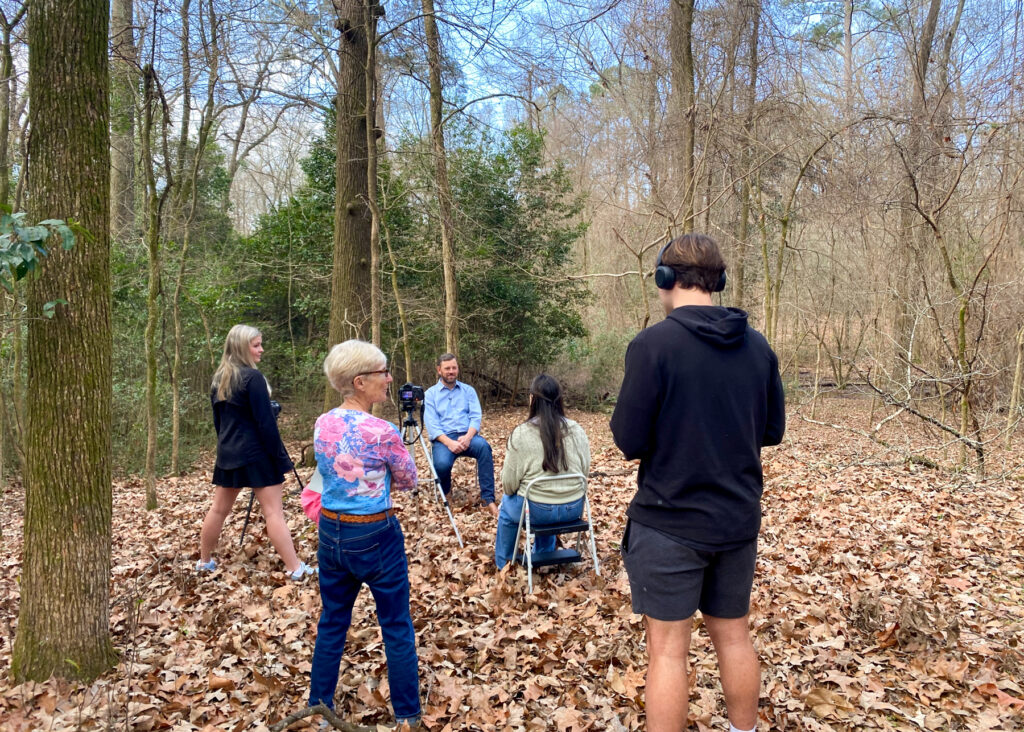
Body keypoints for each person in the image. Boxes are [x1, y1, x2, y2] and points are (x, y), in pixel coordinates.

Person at [610, 233, 785, 732]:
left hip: (669, 522)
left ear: (666, 279)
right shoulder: (757, 346)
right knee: (734, 637)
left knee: (667, 651)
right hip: (736, 520)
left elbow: (628, 438)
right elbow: (771, 430)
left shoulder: (652, 345)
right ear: (718, 281)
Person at [308, 339, 421, 727]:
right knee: (395, 624)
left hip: (330, 533)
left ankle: (318, 707)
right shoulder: (382, 431)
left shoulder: (323, 423)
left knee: (332, 621)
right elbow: (408, 479)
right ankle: (408, 715)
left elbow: (328, 473)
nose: (390, 380)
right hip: (376, 534)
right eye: (382, 373)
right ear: (359, 382)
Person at [198, 324, 315, 581]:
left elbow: (219, 424)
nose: (261, 349)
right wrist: (280, 458)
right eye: (256, 345)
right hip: (258, 454)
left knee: (218, 510)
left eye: (260, 344)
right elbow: (266, 424)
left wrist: (227, 447)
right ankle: (295, 568)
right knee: (273, 512)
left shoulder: (219, 379)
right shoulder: (253, 378)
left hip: (229, 453)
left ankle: (204, 562)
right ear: (242, 347)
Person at [494, 374, 591, 569]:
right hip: (573, 509)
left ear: (532, 399)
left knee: (507, 506)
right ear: (560, 399)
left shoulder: (521, 433)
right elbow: (585, 472)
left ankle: (503, 563)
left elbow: (509, 485)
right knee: (539, 498)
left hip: (536, 512)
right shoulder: (577, 430)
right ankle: (543, 556)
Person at [423, 353, 499, 517]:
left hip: (468, 436)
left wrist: (468, 437)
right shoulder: (430, 394)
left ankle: (488, 499)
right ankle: (447, 495)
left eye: (454, 368)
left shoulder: (468, 391)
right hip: (444, 439)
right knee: (442, 464)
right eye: (447, 368)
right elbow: (432, 425)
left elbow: (475, 416)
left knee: (484, 448)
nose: (451, 371)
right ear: (439, 370)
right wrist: (449, 443)